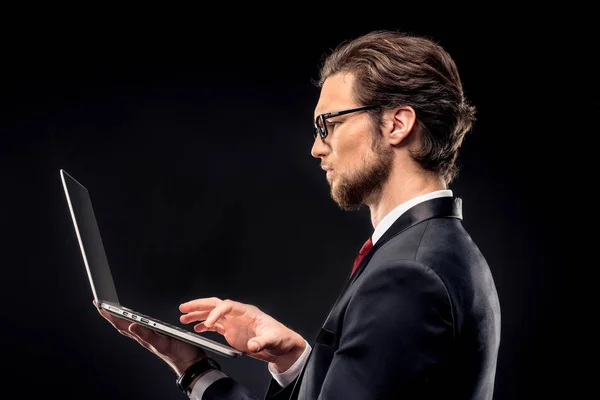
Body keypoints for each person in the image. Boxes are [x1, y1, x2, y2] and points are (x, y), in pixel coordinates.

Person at [97, 29, 501, 399]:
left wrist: (194, 371)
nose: (316, 148)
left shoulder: (409, 275)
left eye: (328, 124)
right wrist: (294, 361)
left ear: (397, 123)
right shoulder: (442, 253)